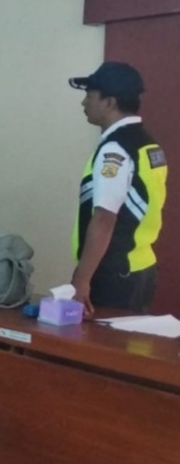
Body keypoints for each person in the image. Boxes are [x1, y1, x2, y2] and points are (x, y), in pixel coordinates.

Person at [68, 62, 168, 315]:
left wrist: (82, 278)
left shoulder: (115, 149)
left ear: (109, 102)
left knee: (99, 339)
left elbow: (104, 218)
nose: (84, 103)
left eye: (90, 96)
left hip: (114, 273)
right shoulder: (147, 144)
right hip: (141, 267)